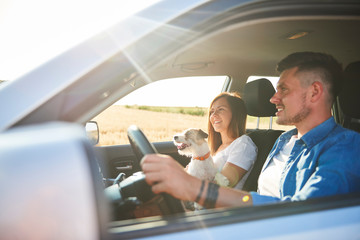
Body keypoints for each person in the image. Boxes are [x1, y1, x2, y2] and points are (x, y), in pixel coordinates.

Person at [141, 52, 360, 208]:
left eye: (283, 89)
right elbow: (256, 196)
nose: (274, 98)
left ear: (314, 92)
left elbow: (304, 212)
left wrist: (196, 189)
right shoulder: (284, 140)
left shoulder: (346, 146)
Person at [208, 92, 257, 189]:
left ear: (236, 114)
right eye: (212, 111)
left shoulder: (243, 145)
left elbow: (220, 187)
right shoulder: (218, 146)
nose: (213, 115)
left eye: (220, 109)